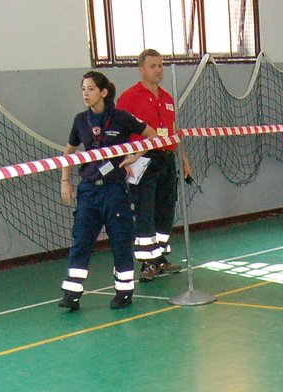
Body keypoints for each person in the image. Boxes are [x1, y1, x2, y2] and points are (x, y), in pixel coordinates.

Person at [58, 71, 154, 311]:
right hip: (89, 191)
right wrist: (65, 180)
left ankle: (123, 291)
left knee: (121, 241)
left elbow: (151, 135)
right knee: (81, 240)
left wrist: (135, 156)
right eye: (83, 89)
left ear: (103, 92)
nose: (85, 94)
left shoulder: (121, 118)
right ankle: (72, 293)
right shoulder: (80, 120)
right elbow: (68, 150)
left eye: (90, 89)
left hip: (115, 190)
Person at [117, 49, 193, 282]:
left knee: (165, 210)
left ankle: (160, 259)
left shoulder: (168, 98)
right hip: (142, 160)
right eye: (153, 66)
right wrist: (126, 160)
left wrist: (185, 161)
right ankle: (146, 264)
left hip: (166, 160)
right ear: (141, 69)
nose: (158, 70)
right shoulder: (129, 97)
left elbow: (174, 132)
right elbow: (119, 131)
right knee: (145, 211)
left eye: (160, 65)